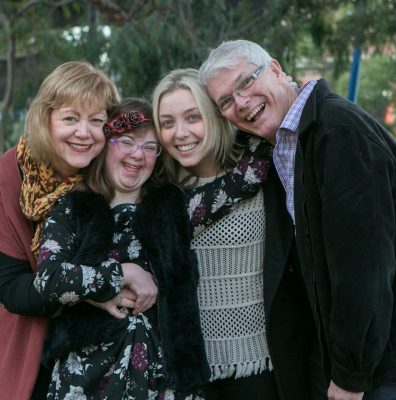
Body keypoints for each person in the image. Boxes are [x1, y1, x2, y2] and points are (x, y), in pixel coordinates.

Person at [198, 39, 396, 400]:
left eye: (245, 82)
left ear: (275, 68)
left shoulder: (338, 133)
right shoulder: (287, 145)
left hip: (380, 369)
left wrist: (352, 374)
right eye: (226, 101)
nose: (241, 103)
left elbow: (362, 266)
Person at [34, 96, 272, 399]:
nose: (138, 154)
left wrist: (242, 108)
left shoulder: (174, 207)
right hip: (87, 379)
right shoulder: (73, 208)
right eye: (127, 142)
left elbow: (247, 177)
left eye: (150, 147)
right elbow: (48, 280)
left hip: (166, 381)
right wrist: (121, 274)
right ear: (106, 144)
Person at [152, 68, 280, 400]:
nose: (180, 133)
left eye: (192, 117)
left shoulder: (262, 169)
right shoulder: (157, 195)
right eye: (167, 123)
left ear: (213, 114)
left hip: (261, 366)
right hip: (186, 373)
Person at [0, 60, 122, 400]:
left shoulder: (113, 173)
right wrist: (100, 286)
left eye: (96, 121)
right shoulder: (9, 176)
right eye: (70, 118)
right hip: (33, 349)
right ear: (46, 119)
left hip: (108, 353)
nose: (84, 133)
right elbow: (12, 289)